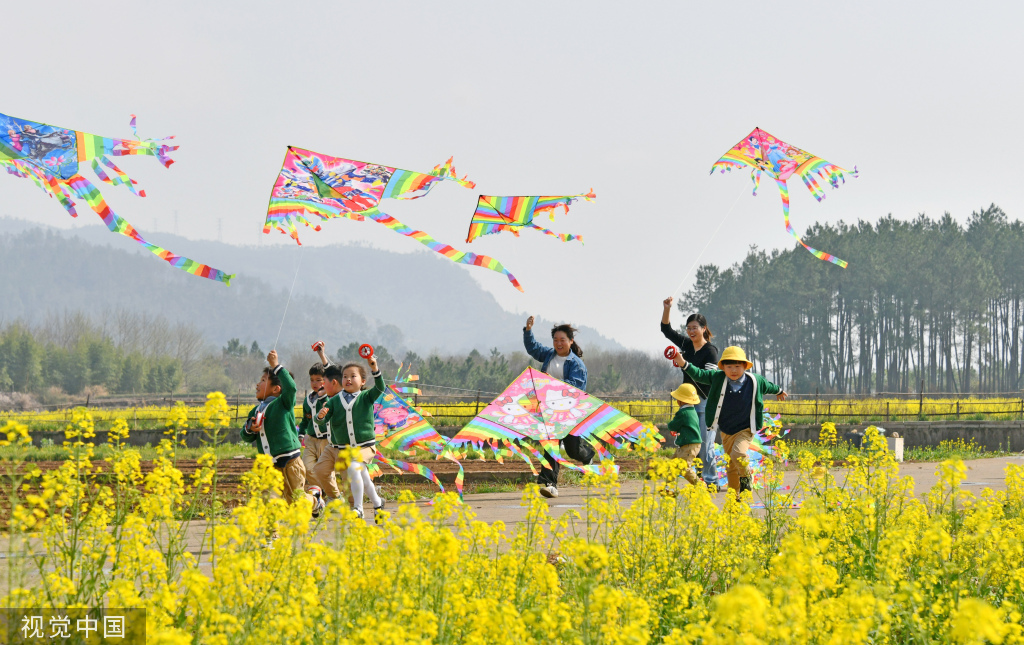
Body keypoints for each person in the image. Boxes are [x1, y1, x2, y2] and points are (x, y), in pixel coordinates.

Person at [673, 346, 787, 497]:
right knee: (731, 465)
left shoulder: (755, 381)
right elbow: (699, 374)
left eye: (737, 366)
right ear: (723, 368)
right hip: (726, 429)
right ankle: (735, 498)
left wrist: (778, 391)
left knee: (738, 453)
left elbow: (768, 386)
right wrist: (683, 363)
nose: (733, 370)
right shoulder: (718, 378)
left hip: (746, 429)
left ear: (745, 366)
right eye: (729, 367)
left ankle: (746, 478)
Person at [241, 350, 325, 517]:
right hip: (269, 466)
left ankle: (315, 501)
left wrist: (276, 366)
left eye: (263, 381)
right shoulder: (255, 410)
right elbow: (246, 435)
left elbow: (291, 388)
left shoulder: (283, 404)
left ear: (276, 389)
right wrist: (249, 428)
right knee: (270, 501)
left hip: (291, 463)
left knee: (296, 501)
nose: (258, 384)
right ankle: (272, 537)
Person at [523, 316, 594, 499]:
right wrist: (528, 330)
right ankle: (549, 483)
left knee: (573, 450)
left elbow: (575, 387)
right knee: (551, 445)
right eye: (555, 340)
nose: (559, 343)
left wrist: (551, 382)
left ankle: (587, 456)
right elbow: (533, 348)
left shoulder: (577, 364)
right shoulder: (549, 355)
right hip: (551, 412)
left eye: (562, 340)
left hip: (570, 412)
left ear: (571, 341)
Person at [315, 352, 387, 519]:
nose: (347, 379)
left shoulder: (366, 397)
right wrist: (320, 416)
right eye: (345, 376)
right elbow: (322, 420)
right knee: (362, 475)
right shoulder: (334, 400)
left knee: (354, 467)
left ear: (362, 381)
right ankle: (377, 503)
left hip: (365, 446)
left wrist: (374, 368)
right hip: (346, 448)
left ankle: (358, 508)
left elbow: (380, 388)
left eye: (352, 376)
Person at [661, 298, 720, 488]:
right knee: (693, 443)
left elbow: (707, 378)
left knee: (705, 444)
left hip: (706, 402)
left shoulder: (710, 351)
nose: (691, 331)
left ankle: (711, 480)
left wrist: (685, 363)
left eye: (695, 327)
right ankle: (701, 479)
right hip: (689, 403)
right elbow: (666, 330)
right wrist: (667, 309)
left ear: (704, 328)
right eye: (688, 328)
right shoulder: (686, 345)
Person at [297, 344, 342, 503]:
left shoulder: (331, 398)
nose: (315, 383)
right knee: (307, 468)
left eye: (319, 380)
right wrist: (300, 434)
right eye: (312, 380)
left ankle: (335, 497)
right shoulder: (308, 400)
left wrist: (322, 355)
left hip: (326, 440)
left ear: (327, 381)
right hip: (310, 439)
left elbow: (332, 371)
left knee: (326, 471)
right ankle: (323, 493)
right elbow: (305, 419)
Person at [667, 383, 703, 486]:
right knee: (673, 465)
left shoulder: (683, 413)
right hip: (689, 444)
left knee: (684, 468)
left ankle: (700, 486)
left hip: (689, 445)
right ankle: (669, 488)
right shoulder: (692, 410)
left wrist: (673, 427)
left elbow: (672, 425)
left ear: (681, 400)